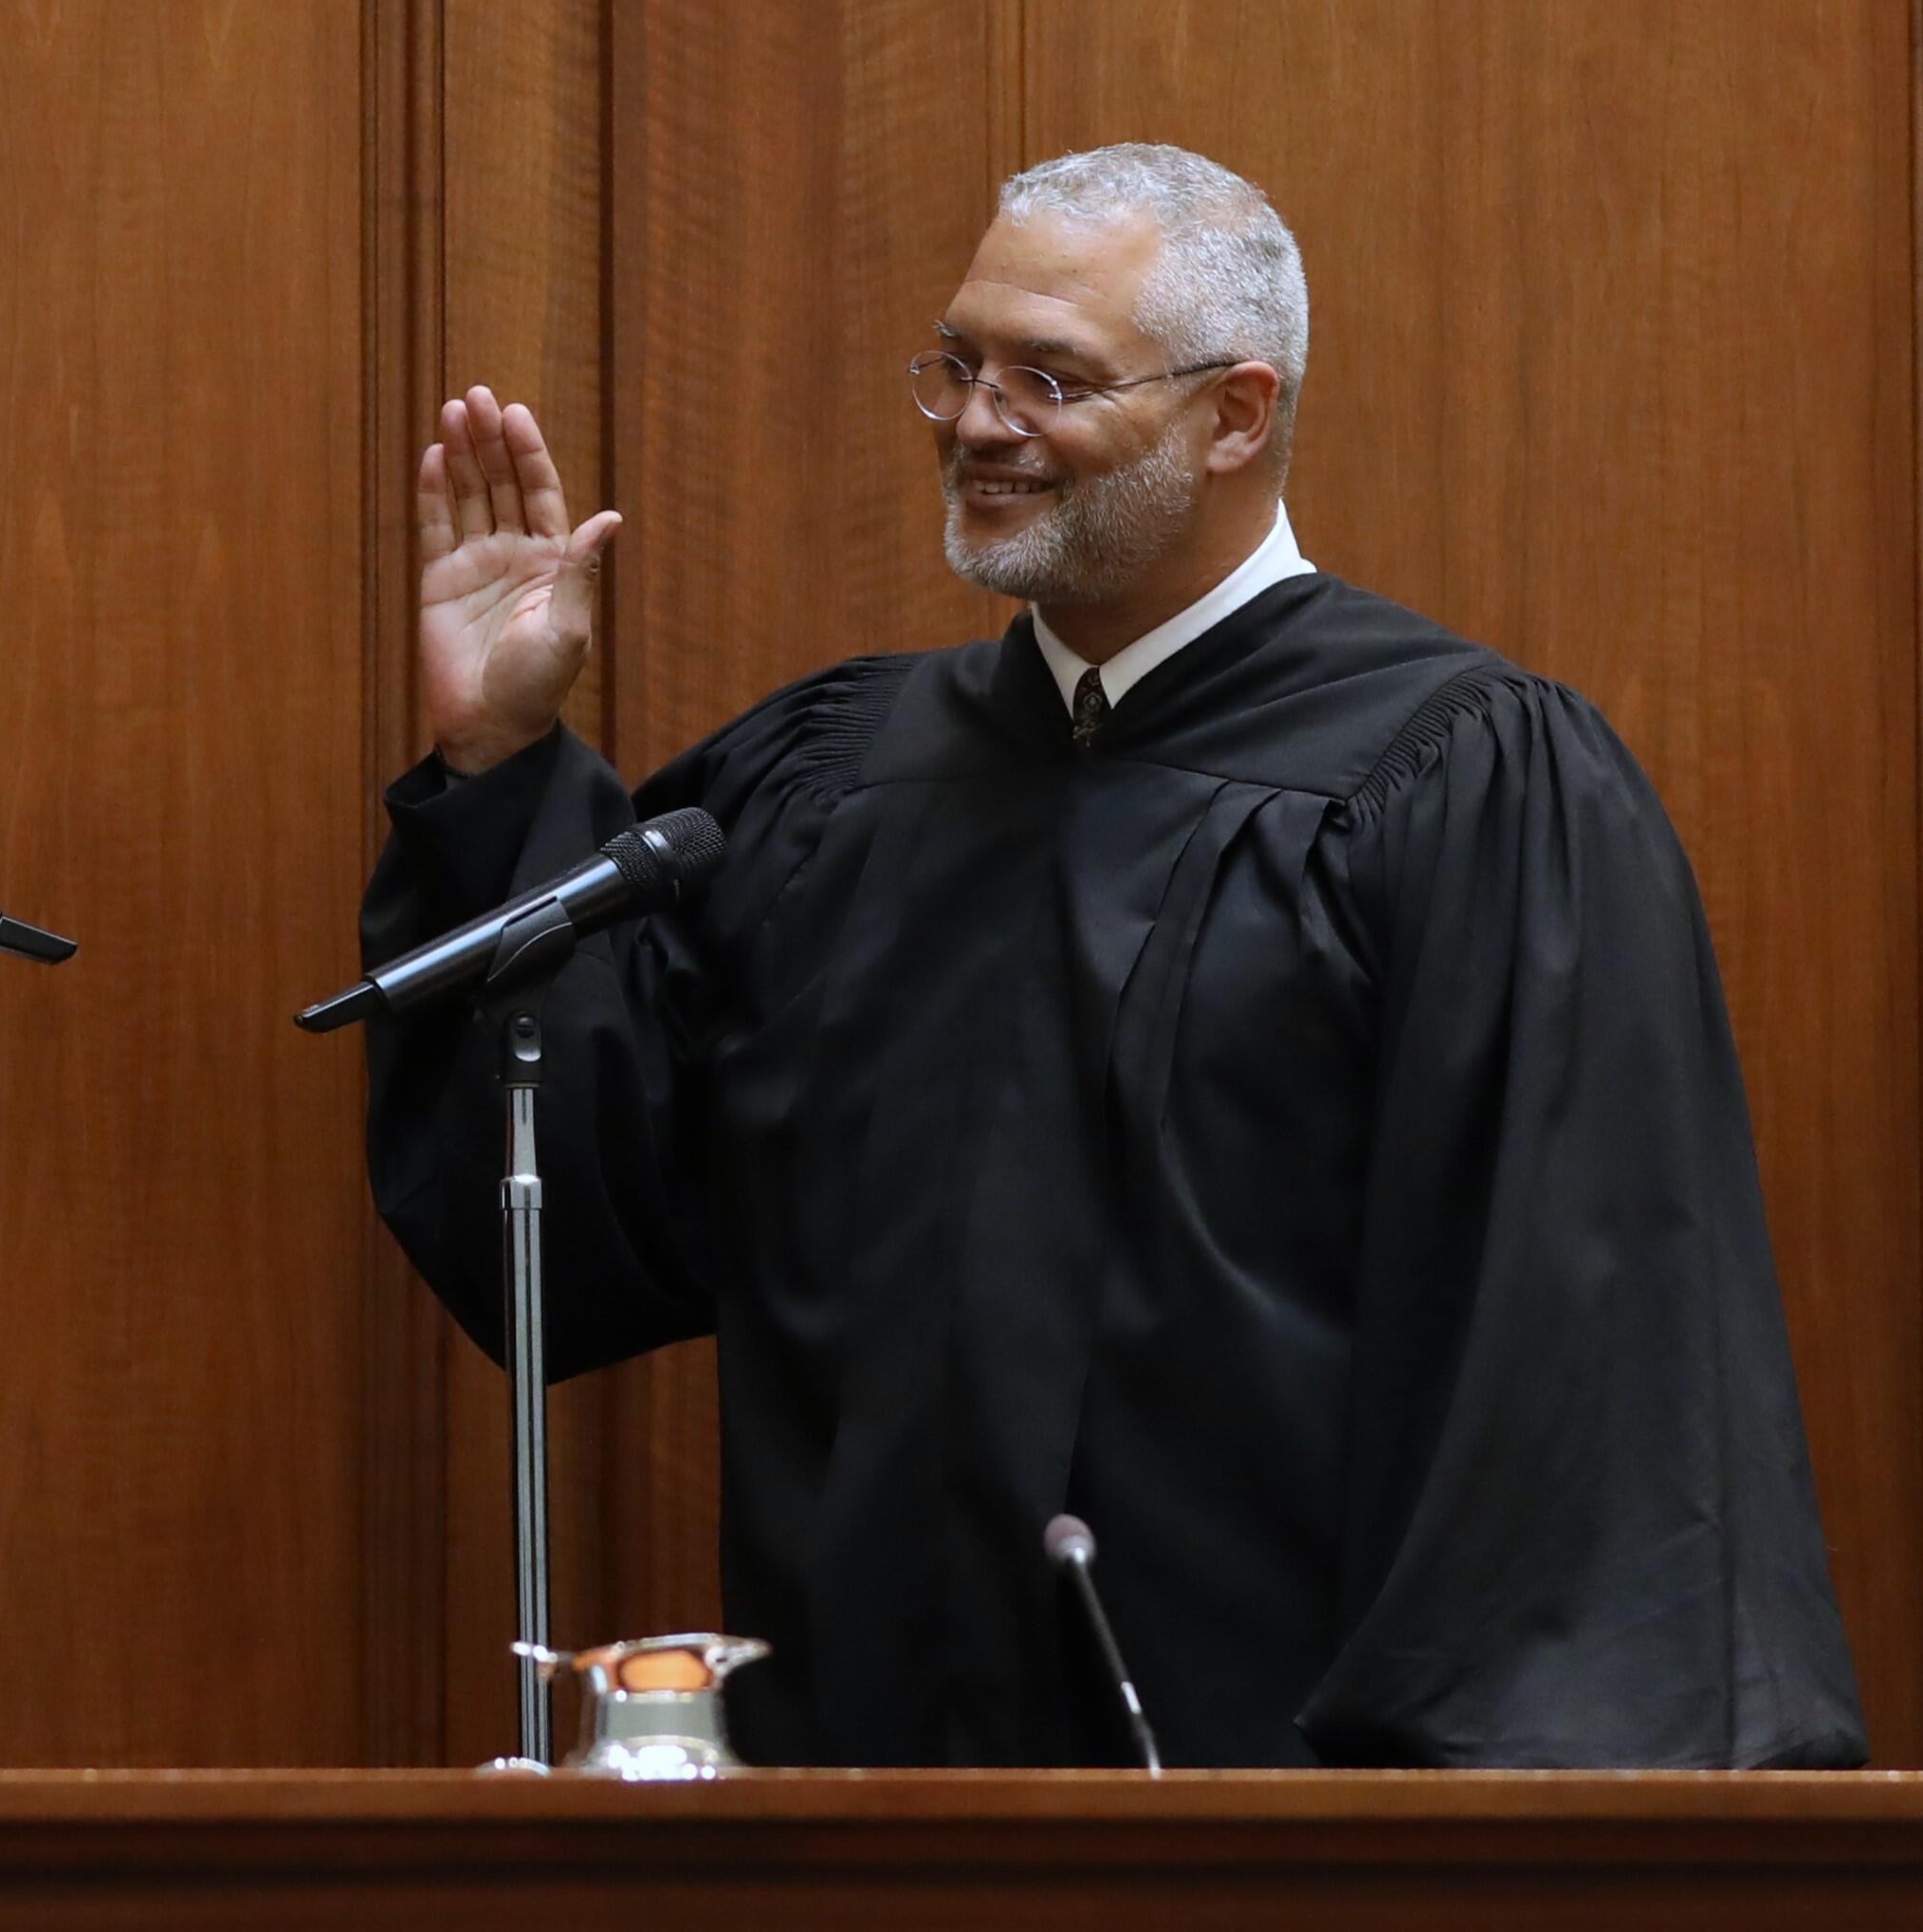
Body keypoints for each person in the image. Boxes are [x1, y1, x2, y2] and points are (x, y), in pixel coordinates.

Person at [359, 143, 1865, 1767]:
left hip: (1275, 1825)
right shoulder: (836, 782)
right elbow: (582, 1207)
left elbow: (1586, 1365)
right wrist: (502, 775)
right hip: (856, 1802)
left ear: (1236, 413)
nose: (979, 423)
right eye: (961, 363)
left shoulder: (1465, 786)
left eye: (1050, 378)